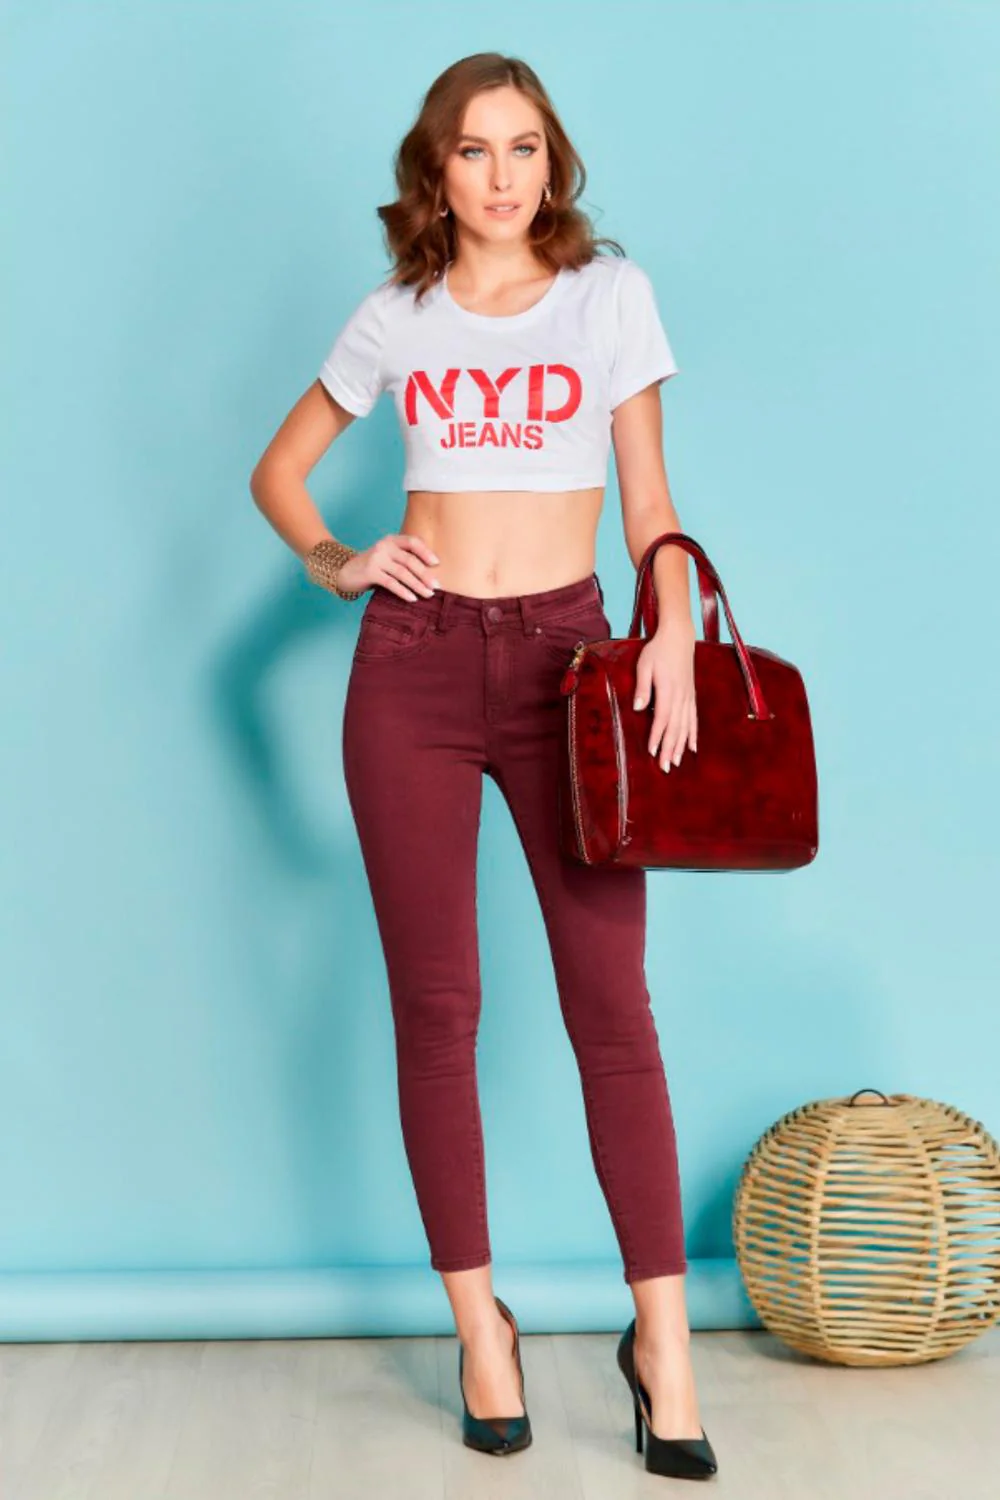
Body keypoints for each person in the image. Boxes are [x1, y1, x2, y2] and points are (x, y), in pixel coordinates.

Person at [250, 52, 718, 1481]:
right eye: (474, 150)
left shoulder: (607, 295)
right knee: (436, 1008)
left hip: (573, 662)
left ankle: (665, 1348)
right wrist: (338, 560)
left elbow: (648, 499)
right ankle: (482, 1332)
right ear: (435, 173)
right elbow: (280, 472)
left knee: (611, 1007)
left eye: (524, 147)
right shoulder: (397, 314)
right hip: (413, 664)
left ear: (551, 163)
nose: (504, 175)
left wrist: (671, 628)